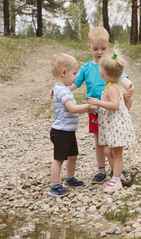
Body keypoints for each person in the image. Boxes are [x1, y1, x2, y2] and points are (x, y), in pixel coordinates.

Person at [50, 26, 134, 184]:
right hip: (94, 111)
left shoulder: (110, 64)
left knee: (113, 140)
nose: (100, 52)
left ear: (108, 46)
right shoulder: (87, 67)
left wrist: (130, 85)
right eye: (96, 49)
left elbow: (121, 77)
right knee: (99, 141)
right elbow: (74, 84)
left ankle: (116, 170)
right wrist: (59, 89)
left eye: (103, 48)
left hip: (110, 110)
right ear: (89, 47)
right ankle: (101, 170)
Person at [87, 51, 137, 192]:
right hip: (114, 127)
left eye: (101, 69)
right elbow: (127, 101)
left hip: (116, 128)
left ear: (104, 73)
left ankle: (116, 179)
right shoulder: (112, 87)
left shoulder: (113, 88)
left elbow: (115, 105)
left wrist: (99, 102)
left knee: (116, 153)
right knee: (108, 150)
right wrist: (124, 113)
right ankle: (118, 174)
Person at [49, 53, 98, 197]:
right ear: (64, 73)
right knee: (59, 159)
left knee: (73, 155)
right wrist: (88, 107)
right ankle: (55, 185)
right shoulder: (62, 91)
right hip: (61, 131)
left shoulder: (61, 89)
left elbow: (72, 111)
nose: (76, 77)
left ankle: (69, 178)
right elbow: (72, 108)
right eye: (74, 73)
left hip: (69, 131)